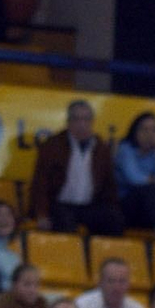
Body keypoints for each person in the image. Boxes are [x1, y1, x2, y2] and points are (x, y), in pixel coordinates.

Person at [30, 101, 120, 235]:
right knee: (65, 222)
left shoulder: (101, 149)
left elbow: (109, 186)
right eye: (76, 119)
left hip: (89, 206)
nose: (81, 124)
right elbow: (40, 183)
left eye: (86, 119)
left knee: (114, 220)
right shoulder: (52, 146)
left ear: (92, 122)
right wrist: (41, 214)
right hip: (59, 204)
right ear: (68, 122)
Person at [114, 112, 155, 236]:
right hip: (126, 207)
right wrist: (154, 180)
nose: (149, 134)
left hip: (148, 211)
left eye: (154, 130)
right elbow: (134, 179)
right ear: (135, 131)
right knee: (149, 190)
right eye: (144, 130)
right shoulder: (125, 149)